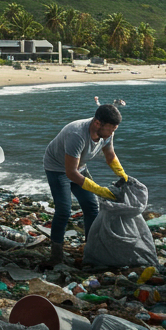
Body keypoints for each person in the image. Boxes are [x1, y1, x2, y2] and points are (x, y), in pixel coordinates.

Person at [42, 104, 127, 266]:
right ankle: (56, 255)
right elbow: (70, 173)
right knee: (64, 210)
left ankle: (91, 249)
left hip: (78, 167)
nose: (112, 133)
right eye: (111, 129)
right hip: (57, 168)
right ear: (97, 123)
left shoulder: (106, 133)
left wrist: (122, 174)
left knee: (91, 206)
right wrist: (99, 189)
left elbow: (110, 155)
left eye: (115, 129)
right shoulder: (77, 134)